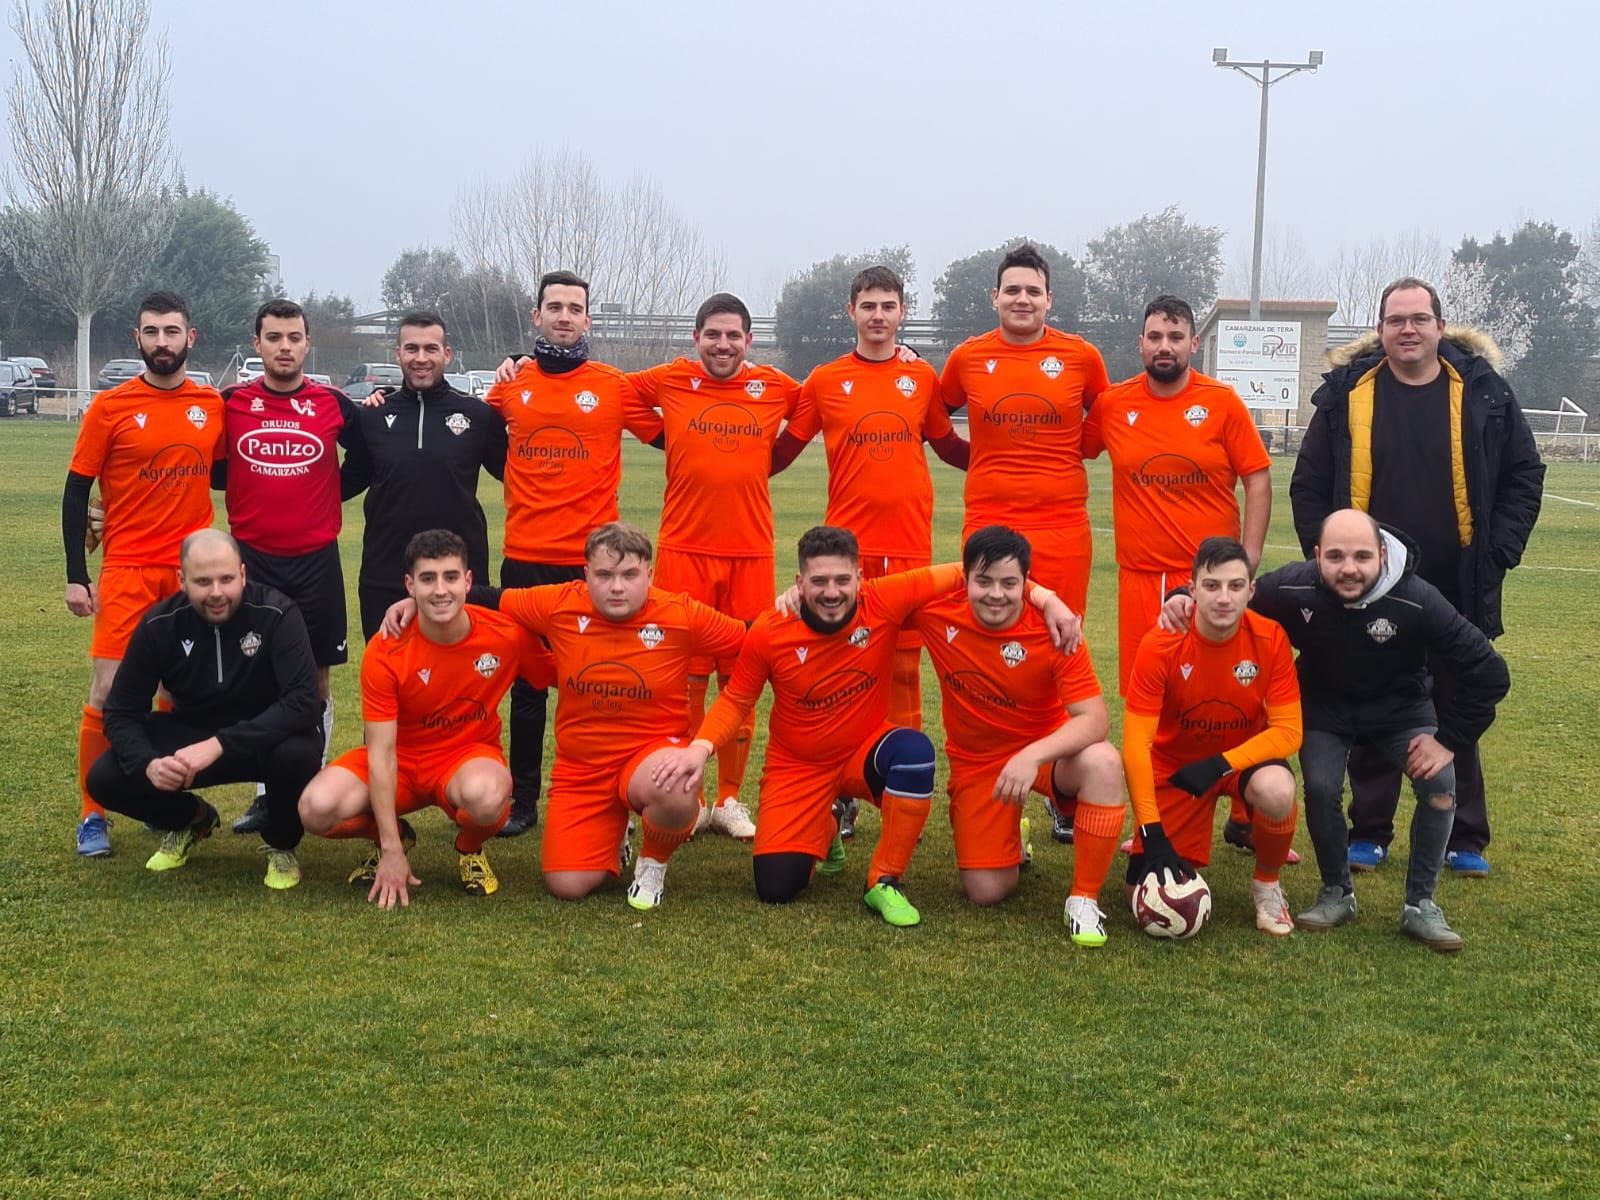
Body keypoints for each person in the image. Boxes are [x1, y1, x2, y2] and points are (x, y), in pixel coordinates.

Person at [650, 526, 1079, 928]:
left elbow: (970, 573)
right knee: (775, 887)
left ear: (859, 577)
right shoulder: (771, 630)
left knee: (913, 752)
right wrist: (700, 748)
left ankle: (884, 881)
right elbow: (736, 700)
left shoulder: (884, 598)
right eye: (818, 582)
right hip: (798, 766)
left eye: (842, 580)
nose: (832, 592)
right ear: (799, 582)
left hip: (864, 751)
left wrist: (1046, 597)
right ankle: (826, 826)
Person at [1162, 513, 1511, 951]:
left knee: (1439, 785)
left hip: (1401, 709)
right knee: (1322, 788)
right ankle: (1336, 892)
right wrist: (1180, 597)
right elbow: (1230, 592)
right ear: (1316, 557)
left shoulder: (1419, 598)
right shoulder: (1293, 587)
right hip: (1325, 708)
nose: (1349, 568)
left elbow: (1491, 673)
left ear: (1382, 555)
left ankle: (1421, 905)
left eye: (1363, 556)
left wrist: (1448, 741)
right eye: (1336, 556)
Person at [1290, 276, 1543, 878]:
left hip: (1455, 581)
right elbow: (1307, 486)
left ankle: (1465, 837)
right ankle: (1370, 832)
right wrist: (1336, 563)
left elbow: (1525, 474)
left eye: (1418, 319)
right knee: (1374, 701)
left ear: (1439, 325)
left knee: (1455, 702)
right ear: (1379, 330)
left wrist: (1498, 551)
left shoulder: (1482, 391)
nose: (1408, 329)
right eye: (1395, 320)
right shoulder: (1347, 394)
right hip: (1370, 585)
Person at [1081, 294, 1275, 857]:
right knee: (1152, 706)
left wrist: (1250, 556)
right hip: (1142, 578)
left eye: (1176, 336)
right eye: (1154, 337)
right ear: (1140, 344)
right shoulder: (1114, 405)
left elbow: (1257, 480)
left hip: (1213, 583)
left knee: (1232, 696)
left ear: (1194, 343)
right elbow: (1070, 449)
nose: (1164, 347)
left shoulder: (1220, 402)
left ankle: (1244, 813)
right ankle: (1152, 818)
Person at [483, 270, 663, 839]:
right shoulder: (509, 386)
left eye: (575, 308)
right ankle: (525, 799)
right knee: (529, 686)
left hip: (595, 565)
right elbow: (478, 447)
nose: (564, 315)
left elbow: (671, 433)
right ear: (536, 316)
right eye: (554, 306)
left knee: (605, 683)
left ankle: (620, 792)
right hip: (525, 557)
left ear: (588, 319)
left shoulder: (613, 385)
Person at [298, 530, 555, 906]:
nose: (440, 590)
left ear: (468, 581)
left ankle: (469, 849)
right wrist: (390, 849)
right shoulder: (387, 648)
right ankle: (397, 836)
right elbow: (382, 753)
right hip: (401, 763)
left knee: (487, 796)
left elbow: (566, 677)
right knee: (315, 809)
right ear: (410, 585)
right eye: (427, 578)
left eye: (451, 577)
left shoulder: (507, 636)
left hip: (465, 758)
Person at [627, 293, 801, 840]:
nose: (722, 344)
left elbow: (818, 406)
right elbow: (620, 394)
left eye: (733, 336)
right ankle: (693, 796)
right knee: (685, 682)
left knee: (741, 678)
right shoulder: (672, 379)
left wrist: (908, 354)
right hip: (684, 551)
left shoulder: (774, 386)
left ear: (749, 341)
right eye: (713, 334)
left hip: (750, 552)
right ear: (696, 337)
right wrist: (664, 437)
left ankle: (729, 799)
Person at [771, 264, 970, 733]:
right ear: (851, 312)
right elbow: (783, 452)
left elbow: (948, 447)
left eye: (887, 306)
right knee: (844, 662)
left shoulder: (921, 377)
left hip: (907, 544)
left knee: (903, 669)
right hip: (847, 550)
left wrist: (1010, 458)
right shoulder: (825, 379)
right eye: (868, 306)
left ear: (902, 312)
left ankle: (903, 773)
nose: (878, 316)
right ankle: (842, 784)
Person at [62, 290, 226, 858]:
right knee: (109, 691)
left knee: (177, 690)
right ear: (138, 338)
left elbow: (227, 472)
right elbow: (77, 487)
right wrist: (75, 572)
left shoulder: (212, 404)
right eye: (151, 331)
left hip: (192, 575)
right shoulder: (110, 406)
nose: (162, 342)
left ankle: (164, 807)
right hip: (128, 566)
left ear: (190, 338)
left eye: (172, 331)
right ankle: (92, 814)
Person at [906, 527, 1125, 946]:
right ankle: (1013, 833)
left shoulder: (1057, 627)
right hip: (977, 762)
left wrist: (1031, 755)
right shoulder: (937, 611)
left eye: (1010, 583)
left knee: (1103, 761)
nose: (996, 594)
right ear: (965, 578)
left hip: (1045, 753)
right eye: (983, 581)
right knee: (986, 893)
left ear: (1025, 583)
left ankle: (1083, 897)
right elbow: (872, 600)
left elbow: (1095, 720)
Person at [88, 530, 321, 888]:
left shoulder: (277, 612)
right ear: (182, 580)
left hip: (263, 737)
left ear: (243, 574)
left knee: (296, 751)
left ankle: (281, 843)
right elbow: (121, 713)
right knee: (106, 776)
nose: (216, 592)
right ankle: (192, 819)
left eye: (227, 579)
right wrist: (148, 764)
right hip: (192, 732)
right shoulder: (158, 625)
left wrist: (218, 745)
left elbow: (304, 701)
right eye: (203, 581)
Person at [219, 297, 372, 835]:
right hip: (253, 561)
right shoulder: (231, 403)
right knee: (261, 676)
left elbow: (368, 461)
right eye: (274, 337)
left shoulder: (333, 404)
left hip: (315, 563)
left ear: (308, 343)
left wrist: (326, 491)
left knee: (317, 679)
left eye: (294, 337)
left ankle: (312, 781)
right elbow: (208, 466)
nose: (285, 347)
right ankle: (268, 794)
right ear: (257, 343)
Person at [1123, 537, 1303, 939]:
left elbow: (1289, 732)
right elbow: (1135, 746)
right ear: (1191, 588)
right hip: (1177, 771)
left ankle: (1268, 884)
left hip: (1238, 763)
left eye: (1236, 586)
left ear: (1251, 591)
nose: (1224, 598)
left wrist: (1222, 763)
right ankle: (1157, 833)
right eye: (1212, 585)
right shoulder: (1160, 644)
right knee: (1139, 894)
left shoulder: (1270, 638)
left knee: (1277, 789)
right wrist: (1151, 831)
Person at [939, 242, 1110, 616]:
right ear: (995, 297)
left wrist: (1071, 453)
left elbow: (1106, 418)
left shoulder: (1081, 356)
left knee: (1060, 638)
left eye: (1033, 291)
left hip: (1061, 526)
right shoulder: (967, 357)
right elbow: (934, 421)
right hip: (988, 519)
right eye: (1012, 290)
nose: (1022, 299)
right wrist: (978, 460)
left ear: (1048, 299)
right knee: (990, 633)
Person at [349, 311, 507, 640]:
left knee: (459, 679)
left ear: (447, 354)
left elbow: (519, 476)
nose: (421, 358)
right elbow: (346, 481)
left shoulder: (478, 415)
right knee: (391, 676)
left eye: (431, 349)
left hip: (458, 575)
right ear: (398, 354)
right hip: (385, 574)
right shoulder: (375, 415)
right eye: (411, 349)